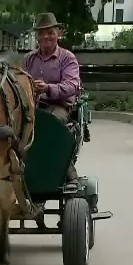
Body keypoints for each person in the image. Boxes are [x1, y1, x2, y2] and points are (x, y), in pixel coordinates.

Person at [23, 13, 81, 186]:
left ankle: (69, 173)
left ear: (58, 34)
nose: (46, 36)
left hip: (59, 105)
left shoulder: (67, 58)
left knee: (50, 124)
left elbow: (72, 86)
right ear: (37, 36)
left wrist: (48, 88)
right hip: (32, 105)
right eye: (41, 33)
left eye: (50, 32)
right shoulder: (28, 59)